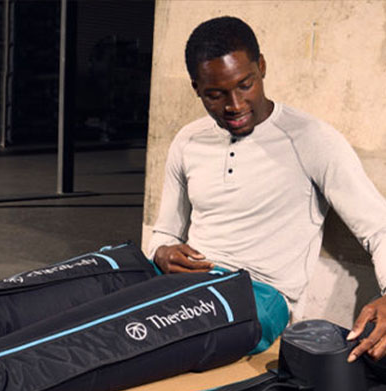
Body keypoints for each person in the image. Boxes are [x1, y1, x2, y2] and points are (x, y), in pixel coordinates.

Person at [145, 16, 386, 362]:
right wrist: (160, 252)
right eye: (215, 94)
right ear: (196, 88)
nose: (235, 105)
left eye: (245, 85)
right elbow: (164, 231)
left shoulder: (313, 140)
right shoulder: (187, 141)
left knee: (154, 340)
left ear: (261, 67)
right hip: (187, 282)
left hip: (257, 296)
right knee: (93, 294)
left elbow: (378, 227)